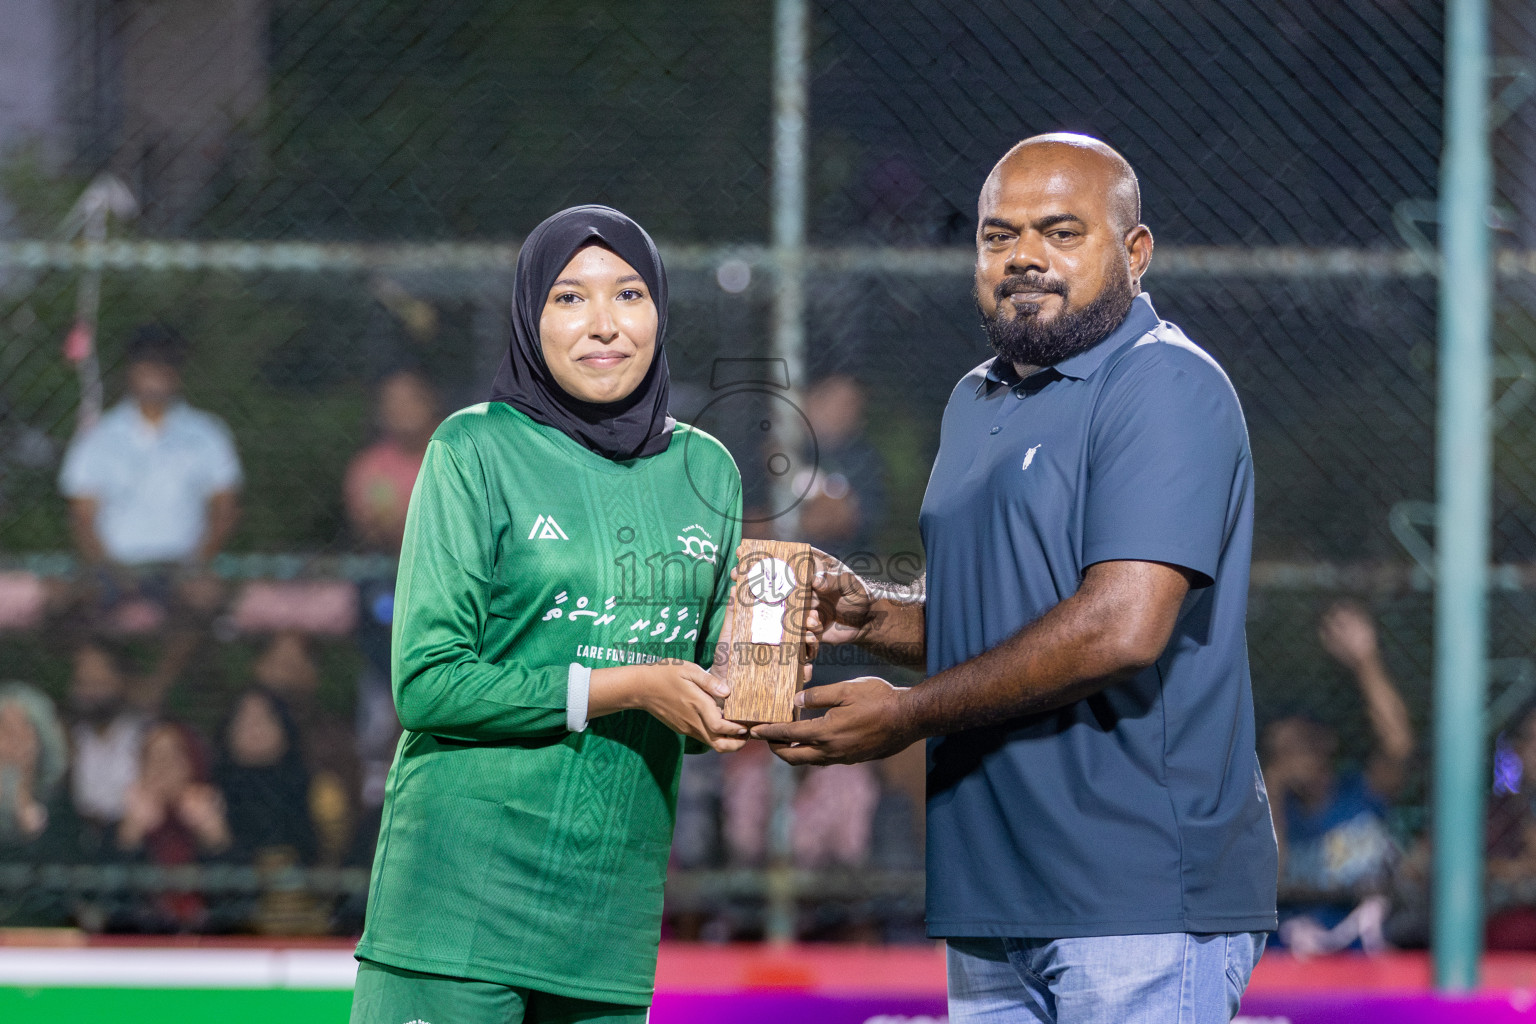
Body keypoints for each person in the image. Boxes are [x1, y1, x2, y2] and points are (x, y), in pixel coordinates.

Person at [754, 134, 1277, 1022]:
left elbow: (1119, 625)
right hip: (994, 896)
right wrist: (870, 615)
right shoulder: (977, 398)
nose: (1024, 256)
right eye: (999, 237)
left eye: (1061, 232)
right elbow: (1008, 613)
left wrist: (909, 715)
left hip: (1135, 898)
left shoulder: (1164, 384)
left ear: (1135, 252)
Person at [351, 205, 802, 1024]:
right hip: (457, 912)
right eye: (568, 298)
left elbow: (705, 696)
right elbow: (426, 685)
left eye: (628, 294)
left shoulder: (707, 470)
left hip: (607, 921)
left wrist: (782, 662)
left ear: (660, 310)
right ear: (530, 318)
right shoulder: (473, 449)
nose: (604, 325)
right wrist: (624, 688)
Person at [1262, 602, 1411, 953]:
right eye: (1282, 751)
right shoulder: (1271, 808)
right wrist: (1273, 781)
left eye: (1301, 744)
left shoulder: (1360, 789)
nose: (1295, 757)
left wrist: (1366, 662)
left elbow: (1399, 744)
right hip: (1291, 951)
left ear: (1325, 742)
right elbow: (1271, 876)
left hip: (1365, 947)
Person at [59, 324, 242, 592]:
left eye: (166, 365)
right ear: (131, 371)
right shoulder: (98, 436)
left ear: (178, 373)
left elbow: (225, 509)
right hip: (111, 568)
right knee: (68, 599)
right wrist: (109, 569)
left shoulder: (208, 433)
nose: (156, 374)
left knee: (203, 598)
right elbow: (81, 516)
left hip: (183, 569)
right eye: (147, 363)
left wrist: (195, 565)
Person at [114, 722, 231, 931]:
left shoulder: (218, 813)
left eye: (173, 757)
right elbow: (110, 904)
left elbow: (236, 902)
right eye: (153, 758)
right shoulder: (122, 824)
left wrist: (214, 836)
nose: (163, 766)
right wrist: (131, 835)